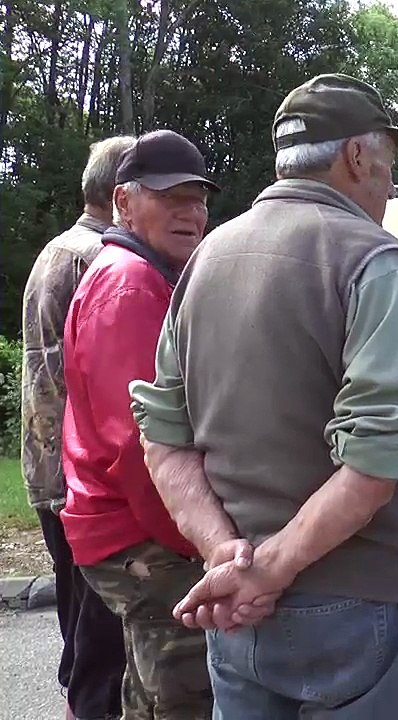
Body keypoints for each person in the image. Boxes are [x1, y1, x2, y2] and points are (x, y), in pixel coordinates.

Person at [128, 73, 398, 718]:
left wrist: (225, 553)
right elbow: (375, 458)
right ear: (356, 157)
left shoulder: (206, 259)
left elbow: (162, 436)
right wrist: (268, 567)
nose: (390, 184)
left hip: (236, 605)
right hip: (359, 603)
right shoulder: (373, 260)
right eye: (388, 162)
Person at [59, 129, 222, 719]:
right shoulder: (129, 284)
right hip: (140, 532)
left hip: (123, 525)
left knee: (147, 692)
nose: (190, 212)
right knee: (188, 695)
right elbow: (139, 441)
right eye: (170, 196)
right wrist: (198, 539)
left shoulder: (140, 273)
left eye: (197, 198)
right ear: (123, 202)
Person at [20, 134, 133, 720]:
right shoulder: (101, 259)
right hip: (81, 472)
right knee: (100, 641)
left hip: (47, 465)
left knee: (81, 629)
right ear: (123, 194)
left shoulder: (56, 250)